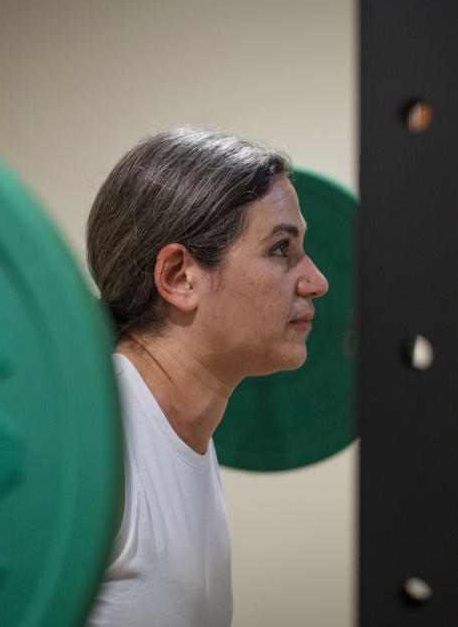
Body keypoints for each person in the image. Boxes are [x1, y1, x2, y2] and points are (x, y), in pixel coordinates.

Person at [83, 127, 328, 627]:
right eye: (282, 248)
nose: (316, 281)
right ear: (180, 277)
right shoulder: (97, 441)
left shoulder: (184, 435)